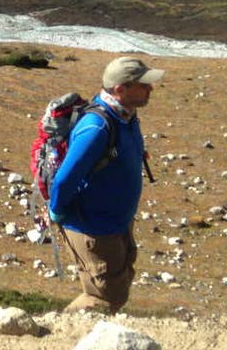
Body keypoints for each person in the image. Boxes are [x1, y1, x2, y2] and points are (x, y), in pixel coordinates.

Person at [49, 56, 163, 313]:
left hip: (115, 223)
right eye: (143, 85)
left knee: (117, 290)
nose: (150, 89)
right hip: (92, 227)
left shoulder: (126, 116)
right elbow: (65, 179)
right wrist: (57, 210)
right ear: (120, 89)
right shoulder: (97, 128)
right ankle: (61, 332)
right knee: (103, 298)